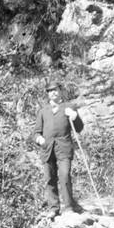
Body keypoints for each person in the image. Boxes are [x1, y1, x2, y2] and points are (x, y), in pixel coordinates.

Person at [32, 79, 85, 216]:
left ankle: (68, 207)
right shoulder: (43, 111)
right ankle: (54, 208)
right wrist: (39, 138)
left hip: (64, 148)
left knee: (64, 175)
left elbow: (79, 128)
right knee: (49, 178)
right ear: (48, 94)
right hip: (47, 149)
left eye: (55, 90)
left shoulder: (69, 107)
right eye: (50, 91)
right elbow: (36, 132)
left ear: (61, 92)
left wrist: (74, 116)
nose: (53, 93)